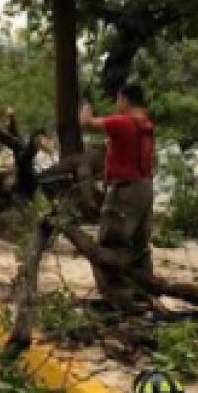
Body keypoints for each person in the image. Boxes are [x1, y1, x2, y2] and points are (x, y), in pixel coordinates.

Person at [80, 83, 156, 312]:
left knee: (110, 242)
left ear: (124, 99)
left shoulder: (122, 122)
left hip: (125, 189)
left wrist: (86, 104)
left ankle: (118, 297)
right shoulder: (147, 124)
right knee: (140, 244)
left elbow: (86, 123)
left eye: (118, 100)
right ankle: (143, 291)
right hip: (145, 187)